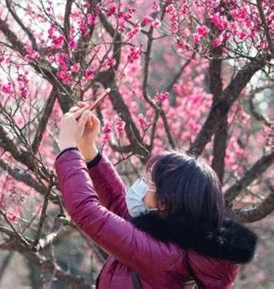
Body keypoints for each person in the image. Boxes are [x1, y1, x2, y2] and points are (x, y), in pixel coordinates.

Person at [54, 102, 258, 288]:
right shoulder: (173, 245)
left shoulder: (164, 256)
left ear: (166, 201)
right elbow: (118, 206)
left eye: (148, 182)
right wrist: (88, 150)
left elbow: (86, 212)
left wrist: (68, 149)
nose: (140, 186)